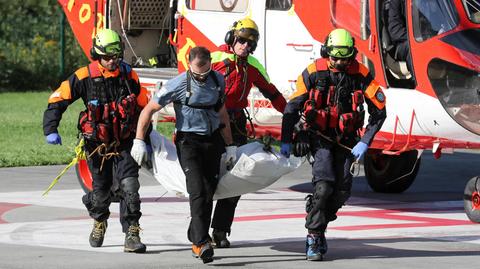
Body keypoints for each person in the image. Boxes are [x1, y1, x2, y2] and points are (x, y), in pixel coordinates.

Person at [280, 29, 387, 261]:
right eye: (335, 58)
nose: (339, 63)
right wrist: (287, 140)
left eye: (344, 59)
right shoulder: (312, 72)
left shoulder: (361, 74)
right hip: (320, 138)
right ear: (326, 53)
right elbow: (292, 108)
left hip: (348, 141)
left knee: (342, 191)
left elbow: (379, 112)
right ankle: (314, 235)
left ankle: (317, 216)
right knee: (324, 187)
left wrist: (365, 141)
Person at [43, 29, 148, 253]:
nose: (112, 61)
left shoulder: (129, 75)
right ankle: (99, 220)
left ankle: (132, 233)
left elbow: (144, 107)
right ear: (96, 55)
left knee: (130, 187)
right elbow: (57, 99)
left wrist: (143, 139)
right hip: (96, 146)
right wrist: (50, 129)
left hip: (125, 142)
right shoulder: (83, 76)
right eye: (107, 57)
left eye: (116, 57)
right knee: (101, 194)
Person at [130, 46, 236, 264]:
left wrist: (230, 144)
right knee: (197, 190)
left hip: (212, 140)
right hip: (188, 142)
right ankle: (200, 242)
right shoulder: (177, 85)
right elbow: (148, 110)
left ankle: (195, 233)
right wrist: (139, 140)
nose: (202, 77)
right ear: (189, 65)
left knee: (209, 192)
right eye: (198, 74)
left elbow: (222, 112)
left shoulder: (217, 80)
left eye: (205, 72)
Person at [209, 17, 287, 248]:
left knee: (236, 180)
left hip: (237, 126)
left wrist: (293, 116)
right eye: (241, 41)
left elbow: (273, 94)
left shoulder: (253, 66)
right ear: (231, 38)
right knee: (207, 180)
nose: (245, 46)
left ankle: (221, 231)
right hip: (212, 125)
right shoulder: (214, 59)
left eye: (250, 44)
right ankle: (200, 232)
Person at [387, 0, 413, 73]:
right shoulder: (396, 3)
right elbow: (395, 31)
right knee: (411, 47)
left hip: (420, 38)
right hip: (401, 44)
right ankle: (419, 81)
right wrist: (415, 37)